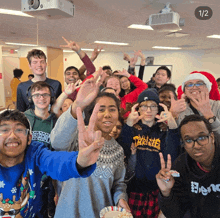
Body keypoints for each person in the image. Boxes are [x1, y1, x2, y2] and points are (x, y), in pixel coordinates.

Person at [0, 108, 104, 218]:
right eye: (4, 130)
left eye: (19, 130)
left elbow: (55, 161)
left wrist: (80, 161)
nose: (12, 136)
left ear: (29, 138)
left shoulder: (35, 153)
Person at [50, 76, 130, 218]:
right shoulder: (77, 136)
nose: (107, 115)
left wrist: (121, 198)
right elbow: (56, 142)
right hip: (68, 212)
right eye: (101, 109)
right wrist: (76, 106)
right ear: (92, 112)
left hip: (100, 213)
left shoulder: (118, 150)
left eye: (112, 109)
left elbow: (118, 184)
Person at [118, 88, 180, 218]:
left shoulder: (163, 130)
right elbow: (122, 150)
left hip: (155, 188)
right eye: (144, 106)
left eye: (153, 106)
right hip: (133, 188)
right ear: (138, 108)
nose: (148, 110)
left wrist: (172, 125)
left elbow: (172, 154)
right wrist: (128, 124)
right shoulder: (131, 128)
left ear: (158, 109)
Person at [156, 114, 220, 218]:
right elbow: (175, 214)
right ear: (184, 145)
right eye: (189, 140)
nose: (196, 145)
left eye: (202, 137)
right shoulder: (181, 166)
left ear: (212, 137)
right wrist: (166, 193)